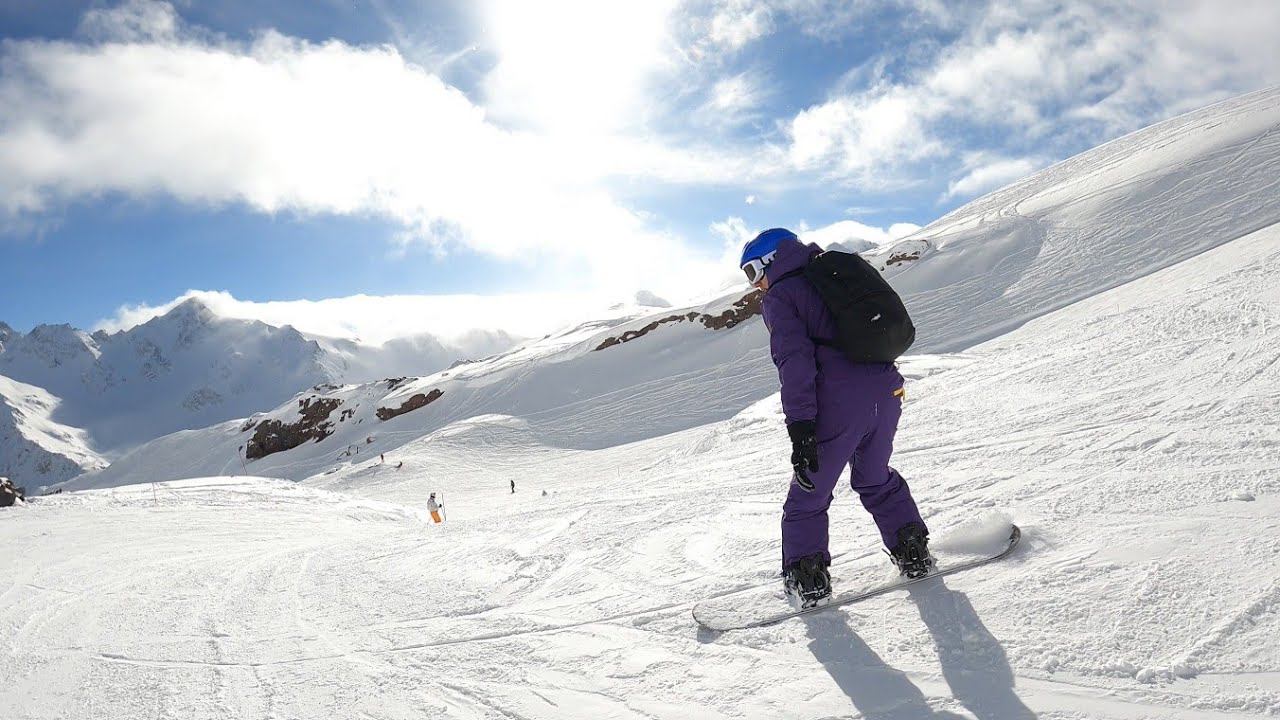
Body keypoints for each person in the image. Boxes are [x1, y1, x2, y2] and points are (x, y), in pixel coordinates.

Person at [742, 228, 933, 610]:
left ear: (770, 261)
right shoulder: (830, 273)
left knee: (807, 496)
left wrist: (800, 427)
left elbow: (794, 362)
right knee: (874, 477)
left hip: (840, 403)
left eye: (751, 272)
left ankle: (808, 579)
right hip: (886, 389)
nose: (754, 284)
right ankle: (912, 549)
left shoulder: (781, 295)